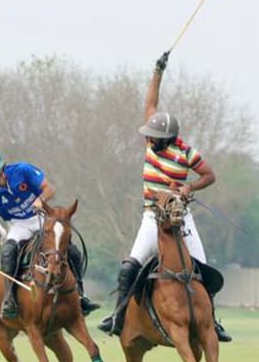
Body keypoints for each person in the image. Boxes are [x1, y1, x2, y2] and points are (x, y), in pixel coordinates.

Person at [98, 51, 232, 342]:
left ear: (167, 138)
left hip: (180, 218)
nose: (148, 137)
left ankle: (213, 322)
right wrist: (158, 71)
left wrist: (189, 188)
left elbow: (210, 176)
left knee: (203, 271)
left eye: (153, 136)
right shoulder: (150, 143)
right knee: (130, 266)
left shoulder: (186, 153)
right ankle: (118, 316)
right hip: (151, 217)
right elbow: (150, 104)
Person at [0, 147, 99, 319]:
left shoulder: (22, 171)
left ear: (0, 169)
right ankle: (9, 298)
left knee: (72, 250)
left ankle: (80, 295)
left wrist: (40, 199)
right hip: (19, 225)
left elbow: (49, 188)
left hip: (42, 217)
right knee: (8, 251)